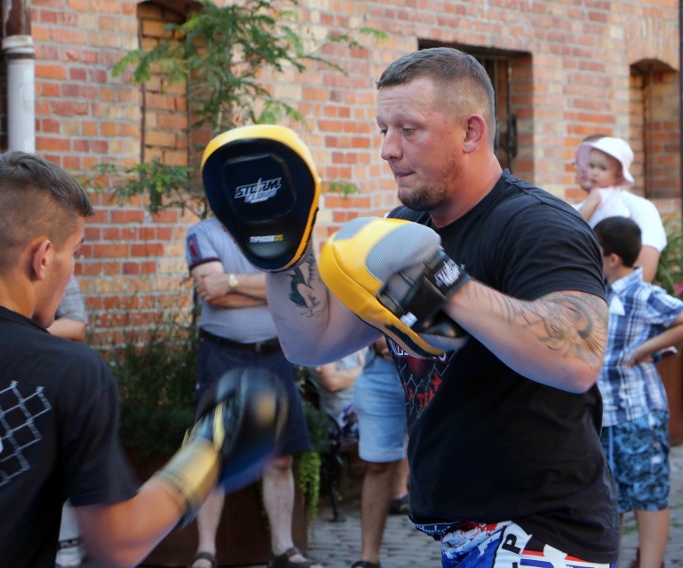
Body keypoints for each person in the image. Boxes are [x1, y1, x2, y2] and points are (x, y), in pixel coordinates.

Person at [261, 47, 620, 567]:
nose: (388, 149)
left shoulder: (539, 225)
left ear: (471, 132)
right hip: (466, 536)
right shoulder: (407, 226)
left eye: (409, 129)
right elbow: (311, 343)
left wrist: (446, 284)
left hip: (541, 535)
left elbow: (578, 359)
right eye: (383, 128)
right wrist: (283, 251)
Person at [0, 151, 281, 568]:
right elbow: (118, 544)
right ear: (42, 258)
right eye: (74, 251)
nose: (71, 268)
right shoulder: (66, 372)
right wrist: (210, 452)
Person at [185, 216, 321, 568]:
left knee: (281, 457)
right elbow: (212, 294)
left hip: (275, 355)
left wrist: (231, 282)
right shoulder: (203, 232)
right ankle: (206, 552)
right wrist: (272, 290)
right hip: (221, 354)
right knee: (211, 454)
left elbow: (298, 286)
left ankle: (283, 549)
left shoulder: (277, 230)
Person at [592, 217, 683, 568]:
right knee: (609, 496)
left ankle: (651, 564)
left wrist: (646, 349)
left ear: (612, 258)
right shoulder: (599, 291)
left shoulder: (644, 294)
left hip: (638, 413)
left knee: (648, 493)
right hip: (603, 414)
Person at [573, 134, 667, 283]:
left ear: (618, 174)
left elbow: (642, 275)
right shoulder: (571, 210)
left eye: (602, 166)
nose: (591, 171)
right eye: (587, 164)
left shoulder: (640, 208)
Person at [351, 337, 410, 568]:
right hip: (382, 371)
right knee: (378, 464)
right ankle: (368, 559)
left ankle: (462, 550)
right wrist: (377, 336)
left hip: (438, 368)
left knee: (446, 459)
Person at [48, 275, 89, 568]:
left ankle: (68, 555)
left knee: (59, 469)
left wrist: (15, 330)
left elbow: (76, 325)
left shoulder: (57, 269)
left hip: (50, 382)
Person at [574, 136, 633, 229]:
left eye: (602, 168)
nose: (595, 173)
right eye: (591, 166)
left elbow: (579, 219)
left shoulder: (598, 193)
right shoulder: (615, 193)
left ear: (618, 175)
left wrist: (570, 222)